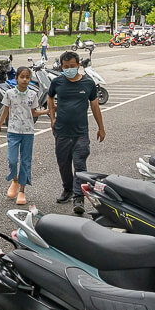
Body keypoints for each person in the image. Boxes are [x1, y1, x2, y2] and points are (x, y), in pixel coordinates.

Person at [48, 51, 105, 215]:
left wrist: (101, 127)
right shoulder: (57, 82)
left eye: (72, 66)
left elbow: (95, 106)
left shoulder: (88, 83)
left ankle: (79, 197)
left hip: (81, 133)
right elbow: (50, 98)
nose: (69, 69)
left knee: (80, 164)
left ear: (78, 65)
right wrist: (52, 118)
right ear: (61, 67)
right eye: (65, 67)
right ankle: (67, 189)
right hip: (61, 132)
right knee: (63, 164)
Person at [0, 66, 47, 206]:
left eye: (27, 77)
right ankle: (15, 180)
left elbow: (34, 113)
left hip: (28, 132)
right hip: (13, 132)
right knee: (12, 160)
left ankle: (22, 190)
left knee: (25, 161)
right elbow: (4, 112)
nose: (24, 80)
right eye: (22, 77)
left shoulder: (32, 95)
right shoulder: (9, 94)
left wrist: (47, 111)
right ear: (16, 78)